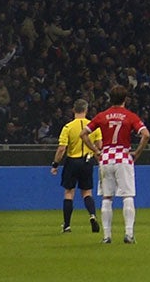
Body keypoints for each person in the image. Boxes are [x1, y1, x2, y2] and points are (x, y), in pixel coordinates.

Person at [90, 87, 149, 244]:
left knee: (107, 197)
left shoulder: (102, 116)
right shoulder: (130, 116)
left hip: (106, 158)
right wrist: (137, 152)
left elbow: (84, 133)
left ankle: (106, 236)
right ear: (125, 98)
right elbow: (146, 134)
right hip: (123, 157)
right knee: (127, 195)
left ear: (110, 98)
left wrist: (96, 150)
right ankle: (128, 234)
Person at [52, 98, 100, 234]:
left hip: (72, 161)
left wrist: (55, 164)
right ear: (86, 110)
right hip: (87, 161)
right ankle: (92, 215)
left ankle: (67, 225)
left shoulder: (68, 127)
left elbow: (62, 148)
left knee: (69, 192)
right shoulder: (93, 126)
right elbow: (99, 145)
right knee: (87, 192)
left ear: (73, 110)